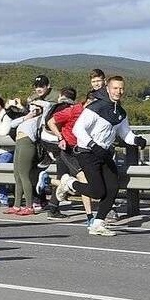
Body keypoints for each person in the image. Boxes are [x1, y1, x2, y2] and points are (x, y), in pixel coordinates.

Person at [57, 75, 146, 236]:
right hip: (87, 152)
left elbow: (124, 133)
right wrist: (92, 145)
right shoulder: (95, 107)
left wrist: (136, 140)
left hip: (104, 153)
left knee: (112, 187)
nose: (118, 91)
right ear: (107, 88)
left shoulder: (120, 112)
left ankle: (97, 224)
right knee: (98, 192)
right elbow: (78, 129)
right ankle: (68, 183)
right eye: (115, 88)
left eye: (121, 88)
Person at [47, 90, 95, 224]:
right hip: (69, 150)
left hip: (83, 149)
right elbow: (51, 122)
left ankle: (48, 186)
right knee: (84, 179)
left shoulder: (94, 113)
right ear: (88, 102)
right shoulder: (73, 110)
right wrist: (60, 137)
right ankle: (90, 216)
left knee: (63, 178)